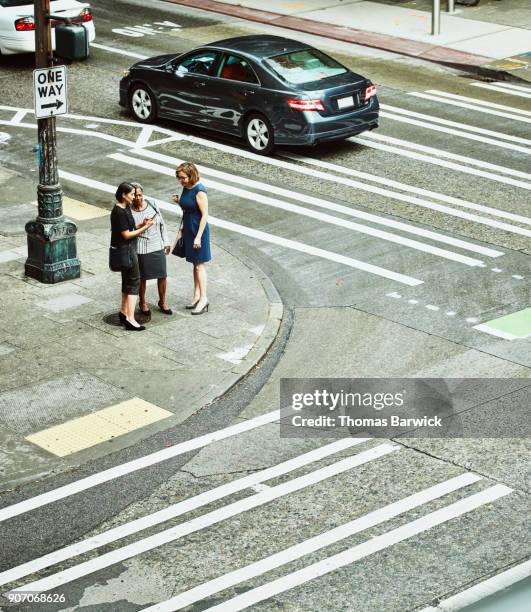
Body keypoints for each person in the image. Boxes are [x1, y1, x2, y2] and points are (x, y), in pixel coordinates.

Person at [111, 182, 153, 331]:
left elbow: (129, 228)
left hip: (127, 250)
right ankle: (130, 318)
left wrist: (141, 224)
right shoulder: (119, 212)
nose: (134, 197)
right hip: (126, 251)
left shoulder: (124, 208)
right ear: (123, 195)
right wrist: (146, 228)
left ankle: (124, 312)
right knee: (134, 282)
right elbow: (126, 234)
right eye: (132, 194)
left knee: (127, 282)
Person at [172, 162, 211, 315]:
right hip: (188, 228)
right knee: (194, 265)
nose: (180, 181)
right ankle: (196, 296)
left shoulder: (200, 190)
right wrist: (178, 202)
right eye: (179, 178)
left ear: (191, 175)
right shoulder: (186, 187)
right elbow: (187, 209)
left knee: (199, 266)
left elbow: (204, 215)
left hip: (197, 231)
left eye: (183, 178)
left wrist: (198, 237)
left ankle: (203, 298)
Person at [131, 183, 172, 316]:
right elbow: (129, 231)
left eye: (140, 195)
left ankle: (162, 301)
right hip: (141, 248)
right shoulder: (128, 210)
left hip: (157, 245)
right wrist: (143, 225)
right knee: (143, 277)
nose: (138, 198)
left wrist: (166, 241)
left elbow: (162, 224)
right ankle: (142, 302)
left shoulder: (152, 203)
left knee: (162, 274)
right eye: (135, 195)